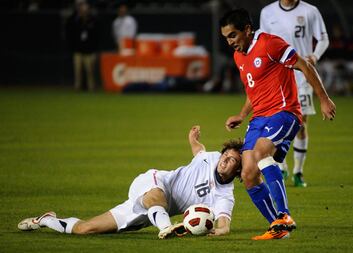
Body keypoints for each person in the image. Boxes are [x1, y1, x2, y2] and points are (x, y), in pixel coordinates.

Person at [220, 8, 335, 240]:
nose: (230, 42)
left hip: (285, 112)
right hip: (258, 118)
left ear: (247, 30)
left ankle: (284, 215)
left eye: (233, 35)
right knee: (249, 173)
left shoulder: (270, 44)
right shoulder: (239, 56)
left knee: (262, 152)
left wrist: (323, 98)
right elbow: (253, 89)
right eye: (226, 38)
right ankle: (278, 227)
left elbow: (304, 65)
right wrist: (242, 115)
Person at [18, 126, 243, 239]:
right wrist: (193, 140)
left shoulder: (224, 195)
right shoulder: (211, 157)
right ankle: (166, 229)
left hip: (150, 213)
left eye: (232, 160)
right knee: (157, 197)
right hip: (154, 182)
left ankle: (47, 220)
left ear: (239, 171)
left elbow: (224, 221)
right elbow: (200, 152)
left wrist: (221, 231)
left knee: (86, 229)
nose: (225, 160)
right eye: (226, 155)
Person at [260, 0, 330, 187]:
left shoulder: (310, 11)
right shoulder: (267, 12)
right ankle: (281, 167)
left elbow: (323, 38)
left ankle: (298, 171)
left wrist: (314, 56)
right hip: (276, 77)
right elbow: (261, 41)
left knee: (300, 124)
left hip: (301, 76)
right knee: (276, 121)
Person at [65, 0, 99, 91]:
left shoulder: (93, 20)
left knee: (90, 72)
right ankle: (77, 87)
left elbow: (97, 36)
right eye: (80, 6)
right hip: (78, 51)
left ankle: (92, 88)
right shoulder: (74, 19)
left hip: (89, 51)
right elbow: (69, 35)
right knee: (77, 72)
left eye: (84, 6)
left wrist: (94, 49)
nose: (82, 8)